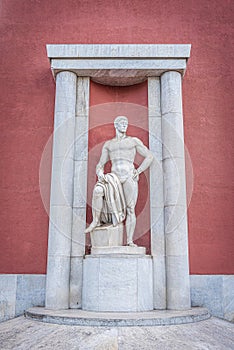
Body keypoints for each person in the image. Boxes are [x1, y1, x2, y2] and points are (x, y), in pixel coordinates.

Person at [85, 116, 154, 246]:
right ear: (115, 125)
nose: (124, 125)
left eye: (126, 123)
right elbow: (100, 164)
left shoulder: (133, 141)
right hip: (114, 178)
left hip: (129, 176)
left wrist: (138, 171)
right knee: (100, 192)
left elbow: (149, 156)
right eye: (122, 123)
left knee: (130, 209)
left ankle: (129, 241)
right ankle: (96, 221)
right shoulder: (109, 145)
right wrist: (99, 172)